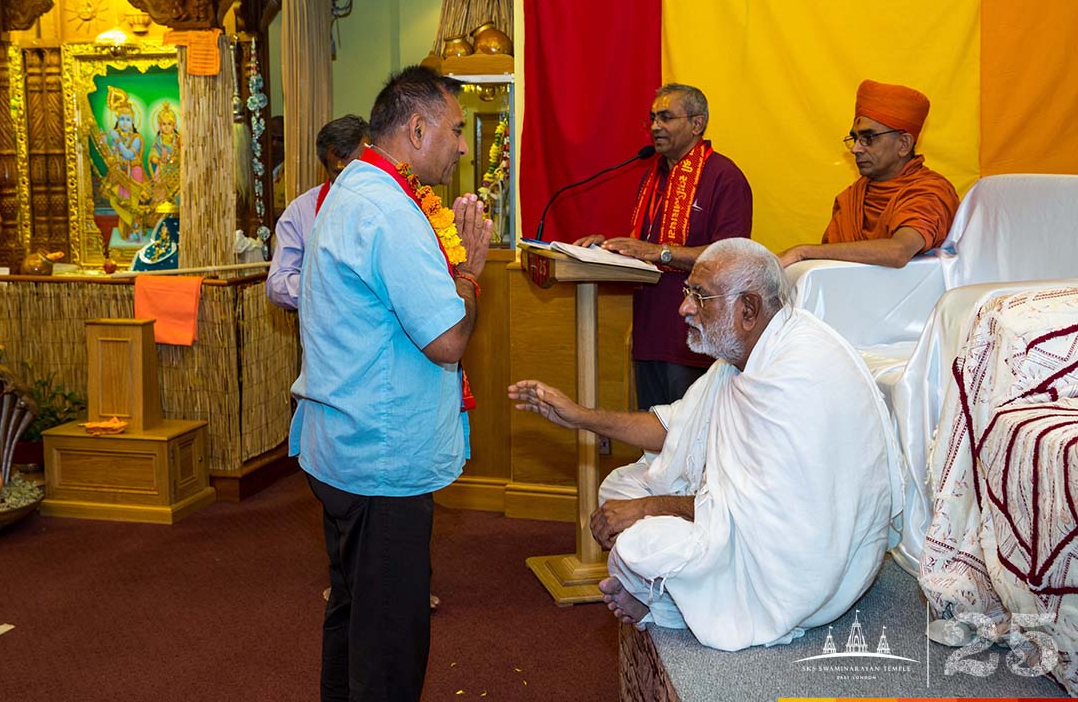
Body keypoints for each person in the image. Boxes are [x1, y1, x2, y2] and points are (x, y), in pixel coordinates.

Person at [509, 238, 901, 652]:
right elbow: (674, 428)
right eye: (687, 293)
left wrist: (647, 509)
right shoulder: (744, 352)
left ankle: (670, 609)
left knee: (641, 544)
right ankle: (673, 599)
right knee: (619, 489)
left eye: (700, 296)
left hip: (805, 569)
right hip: (757, 522)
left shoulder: (798, 376)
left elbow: (759, 513)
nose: (685, 308)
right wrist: (577, 415)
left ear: (747, 309)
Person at [292, 65, 491, 701]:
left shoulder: (352, 188)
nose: (462, 146)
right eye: (456, 130)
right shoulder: (388, 211)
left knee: (353, 615)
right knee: (389, 642)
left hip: (344, 443)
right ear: (416, 126)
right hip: (381, 455)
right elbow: (448, 341)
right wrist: (472, 272)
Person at [576, 84, 752, 409]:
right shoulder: (653, 177)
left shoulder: (724, 177)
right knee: (653, 440)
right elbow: (646, 248)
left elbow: (732, 257)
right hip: (649, 334)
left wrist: (660, 252)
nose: (656, 126)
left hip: (695, 342)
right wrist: (609, 249)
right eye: (653, 118)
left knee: (693, 444)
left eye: (666, 117)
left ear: (697, 124)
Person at [779, 79, 960, 268]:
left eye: (868, 138)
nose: (855, 148)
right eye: (855, 138)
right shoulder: (852, 198)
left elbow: (898, 251)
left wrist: (804, 252)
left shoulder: (930, 191)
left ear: (903, 144)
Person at [265, 114, 368, 310]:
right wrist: (330, 288)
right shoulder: (301, 212)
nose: (350, 179)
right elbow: (277, 284)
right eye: (339, 171)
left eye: (358, 169)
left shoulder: (392, 205)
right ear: (325, 168)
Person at [97, 86, 148, 242]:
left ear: (133, 121)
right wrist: (104, 143)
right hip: (121, 175)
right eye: (121, 119)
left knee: (133, 205)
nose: (124, 123)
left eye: (127, 119)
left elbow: (128, 154)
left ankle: (136, 229)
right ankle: (128, 228)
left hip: (134, 174)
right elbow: (115, 156)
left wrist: (117, 140)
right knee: (116, 200)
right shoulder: (118, 138)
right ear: (117, 121)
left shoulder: (137, 138)